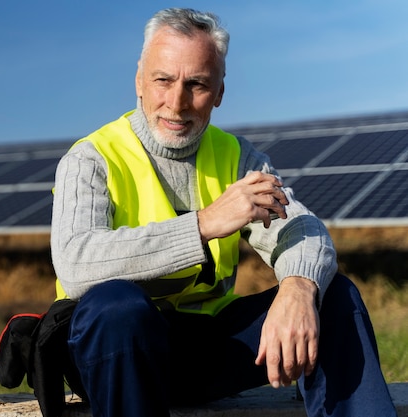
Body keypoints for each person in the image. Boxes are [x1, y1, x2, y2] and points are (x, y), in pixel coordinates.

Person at [50, 7, 396, 417]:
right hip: (112, 356)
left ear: (219, 93)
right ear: (139, 82)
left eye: (196, 84)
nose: (176, 103)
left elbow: (302, 228)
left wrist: (299, 288)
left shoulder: (237, 157)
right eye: (163, 80)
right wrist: (203, 225)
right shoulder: (91, 158)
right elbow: (75, 264)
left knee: (333, 294)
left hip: (204, 350)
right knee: (118, 307)